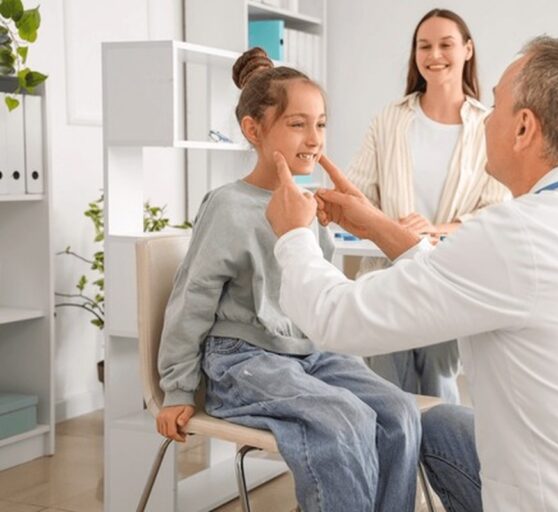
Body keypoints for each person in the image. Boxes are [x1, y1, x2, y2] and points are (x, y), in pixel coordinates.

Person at [266, 36, 558, 511]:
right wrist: (377, 225)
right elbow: (459, 280)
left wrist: (293, 236)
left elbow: (337, 320)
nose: (486, 117)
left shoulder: (518, 233)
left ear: (524, 127)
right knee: (441, 425)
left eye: (495, 104)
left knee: (423, 418)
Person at [154, 47, 421, 512]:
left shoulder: (309, 202)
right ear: (253, 130)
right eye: (298, 124)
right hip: (242, 360)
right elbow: (192, 297)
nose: (314, 138)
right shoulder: (227, 204)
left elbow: (321, 286)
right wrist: (176, 388)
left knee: (399, 413)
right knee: (343, 417)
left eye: (320, 124)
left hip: (308, 353)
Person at [347, 8, 508, 404]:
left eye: (445, 44)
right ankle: (393, 469)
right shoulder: (389, 119)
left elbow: (498, 209)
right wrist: (393, 229)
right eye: (424, 46)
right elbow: (355, 195)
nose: (434, 54)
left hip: (449, 277)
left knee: (440, 391)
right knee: (386, 396)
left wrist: (434, 230)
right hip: (386, 277)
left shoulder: (487, 125)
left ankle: (443, 467)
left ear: (467, 50)